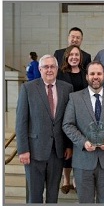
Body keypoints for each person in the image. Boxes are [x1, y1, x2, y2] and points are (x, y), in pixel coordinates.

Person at [62, 61, 104, 203]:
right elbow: (67, 124)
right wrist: (83, 142)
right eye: (92, 74)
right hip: (83, 160)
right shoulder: (75, 97)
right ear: (86, 77)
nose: (95, 77)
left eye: (98, 73)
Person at [15, 54, 73, 203]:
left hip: (58, 151)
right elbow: (21, 121)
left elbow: (69, 120)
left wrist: (68, 145)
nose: (49, 70)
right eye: (45, 67)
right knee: (34, 196)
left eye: (52, 66)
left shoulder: (67, 88)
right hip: (34, 151)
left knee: (53, 196)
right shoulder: (28, 88)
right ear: (40, 69)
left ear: (57, 69)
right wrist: (22, 149)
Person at [57, 45, 88, 194]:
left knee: (78, 147)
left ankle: (76, 178)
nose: (74, 57)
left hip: (81, 116)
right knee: (67, 148)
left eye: (77, 55)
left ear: (80, 57)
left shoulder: (85, 73)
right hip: (65, 115)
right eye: (71, 55)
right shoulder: (60, 73)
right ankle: (66, 179)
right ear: (67, 57)